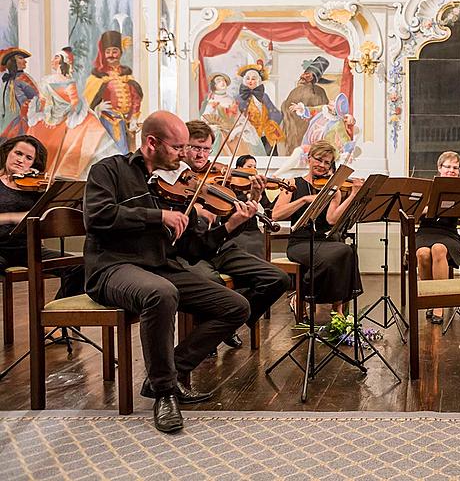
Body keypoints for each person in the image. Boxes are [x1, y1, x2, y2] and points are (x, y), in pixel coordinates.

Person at [83, 111, 255, 433]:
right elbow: (98, 217)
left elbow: (193, 250)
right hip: (113, 266)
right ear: (152, 143)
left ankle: (166, 374)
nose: (184, 154)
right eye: (177, 147)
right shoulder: (109, 170)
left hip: (161, 266)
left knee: (236, 306)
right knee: (161, 293)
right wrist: (157, 216)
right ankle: (165, 393)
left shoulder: (174, 187)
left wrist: (229, 226)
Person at [180, 120, 291, 350]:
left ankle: (230, 322)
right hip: (190, 252)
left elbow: (235, 219)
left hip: (220, 247)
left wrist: (255, 196)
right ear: (182, 146)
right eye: (195, 148)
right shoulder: (173, 176)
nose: (201, 155)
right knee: (211, 283)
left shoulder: (219, 175)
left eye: (206, 149)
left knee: (278, 279)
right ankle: (206, 340)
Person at [272, 139, 363, 317]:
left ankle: (336, 308)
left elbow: (331, 219)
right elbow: (276, 214)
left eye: (326, 162)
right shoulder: (292, 184)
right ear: (309, 158)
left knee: (346, 251)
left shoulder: (332, 188)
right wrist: (304, 200)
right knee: (339, 253)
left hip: (324, 241)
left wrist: (352, 195)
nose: (322, 165)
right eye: (319, 159)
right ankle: (303, 296)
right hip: (300, 243)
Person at [0, 135, 83, 299]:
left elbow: (48, 215)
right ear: (7, 152)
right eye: (18, 153)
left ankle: (57, 317)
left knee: (79, 266)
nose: (21, 160)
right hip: (0, 248)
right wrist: (12, 217)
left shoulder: (36, 187)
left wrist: (51, 192)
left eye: (28, 158)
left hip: (28, 249)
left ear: (33, 164)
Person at [27, 47, 119, 178]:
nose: (53, 61)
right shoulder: (57, 81)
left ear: (60, 62)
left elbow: (66, 102)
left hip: (59, 116)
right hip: (55, 116)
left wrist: (60, 111)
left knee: (90, 125)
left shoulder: (58, 81)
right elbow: (57, 101)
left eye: (56, 58)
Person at [415, 151, 460, 324]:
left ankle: (439, 304)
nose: (451, 170)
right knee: (422, 253)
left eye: (455, 167)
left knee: (438, 249)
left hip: (448, 233)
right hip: (426, 231)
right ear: (439, 168)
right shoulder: (428, 187)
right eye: (448, 167)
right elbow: (412, 212)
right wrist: (428, 208)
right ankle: (429, 298)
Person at [85, 30, 143, 154]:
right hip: (105, 123)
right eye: (108, 52)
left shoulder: (127, 76)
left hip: (124, 125)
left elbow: (136, 98)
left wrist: (133, 118)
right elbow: (88, 105)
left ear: (120, 53)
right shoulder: (97, 77)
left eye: (115, 51)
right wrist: (98, 109)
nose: (111, 55)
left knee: (123, 154)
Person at [282, 56, 330, 154]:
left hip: (300, 130)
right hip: (303, 129)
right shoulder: (318, 91)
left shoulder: (317, 92)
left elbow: (324, 110)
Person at [0, 48, 39, 139]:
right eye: (21, 58)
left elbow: (35, 98)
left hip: (21, 121)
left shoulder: (22, 78)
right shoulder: (13, 80)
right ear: (12, 61)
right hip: (10, 121)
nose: (25, 61)